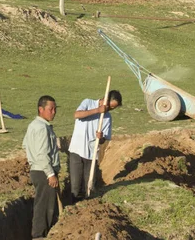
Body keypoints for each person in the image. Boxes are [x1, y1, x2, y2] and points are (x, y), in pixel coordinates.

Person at [68, 89, 122, 203]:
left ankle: (88, 206)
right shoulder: (88, 103)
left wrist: (101, 137)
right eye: (109, 106)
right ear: (105, 100)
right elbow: (77, 114)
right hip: (76, 150)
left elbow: (103, 140)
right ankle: (73, 209)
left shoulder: (107, 118)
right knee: (75, 185)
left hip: (91, 154)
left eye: (113, 108)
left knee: (89, 185)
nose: (110, 109)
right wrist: (97, 110)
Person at [23, 95, 60, 240]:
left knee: (43, 204)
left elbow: (25, 144)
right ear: (41, 109)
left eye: (55, 109)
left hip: (38, 170)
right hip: (43, 172)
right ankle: (39, 236)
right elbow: (42, 153)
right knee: (44, 207)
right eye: (51, 109)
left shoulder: (33, 125)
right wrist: (50, 174)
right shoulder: (42, 128)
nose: (54, 112)